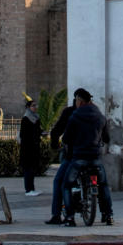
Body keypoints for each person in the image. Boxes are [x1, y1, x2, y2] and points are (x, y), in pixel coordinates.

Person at [61, 88, 113, 227]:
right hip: (95, 157)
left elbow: (66, 138)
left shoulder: (75, 116)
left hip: (79, 158)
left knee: (66, 185)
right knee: (103, 185)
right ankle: (108, 216)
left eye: (76, 100)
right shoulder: (100, 116)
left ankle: (70, 218)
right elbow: (107, 138)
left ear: (80, 101)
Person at [45, 92, 80, 225]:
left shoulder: (71, 113)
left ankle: (56, 215)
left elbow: (57, 131)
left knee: (59, 182)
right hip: (93, 155)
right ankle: (107, 215)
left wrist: (55, 145)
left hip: (72, 155)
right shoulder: (95, 113)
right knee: (102, 183)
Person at [19, 99, 44, 195]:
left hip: (34, 148)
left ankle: (32, 188)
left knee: (32, 169)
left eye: (35, 105)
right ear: (28, 107)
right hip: (27, 148)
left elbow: (37, 131)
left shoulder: (36, 118)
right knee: (28, 169)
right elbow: (23, 135)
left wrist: (42, 133)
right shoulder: (26, 119)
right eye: (33, 105)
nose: (35, 107)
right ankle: (28, 190)